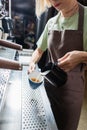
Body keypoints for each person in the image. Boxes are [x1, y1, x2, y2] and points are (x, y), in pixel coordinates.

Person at [28, 0, 87, 130]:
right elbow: (39, 50)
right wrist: (32, 62)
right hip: (49, 87)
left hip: (71, 93)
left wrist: (82, 56)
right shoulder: (51, 22)